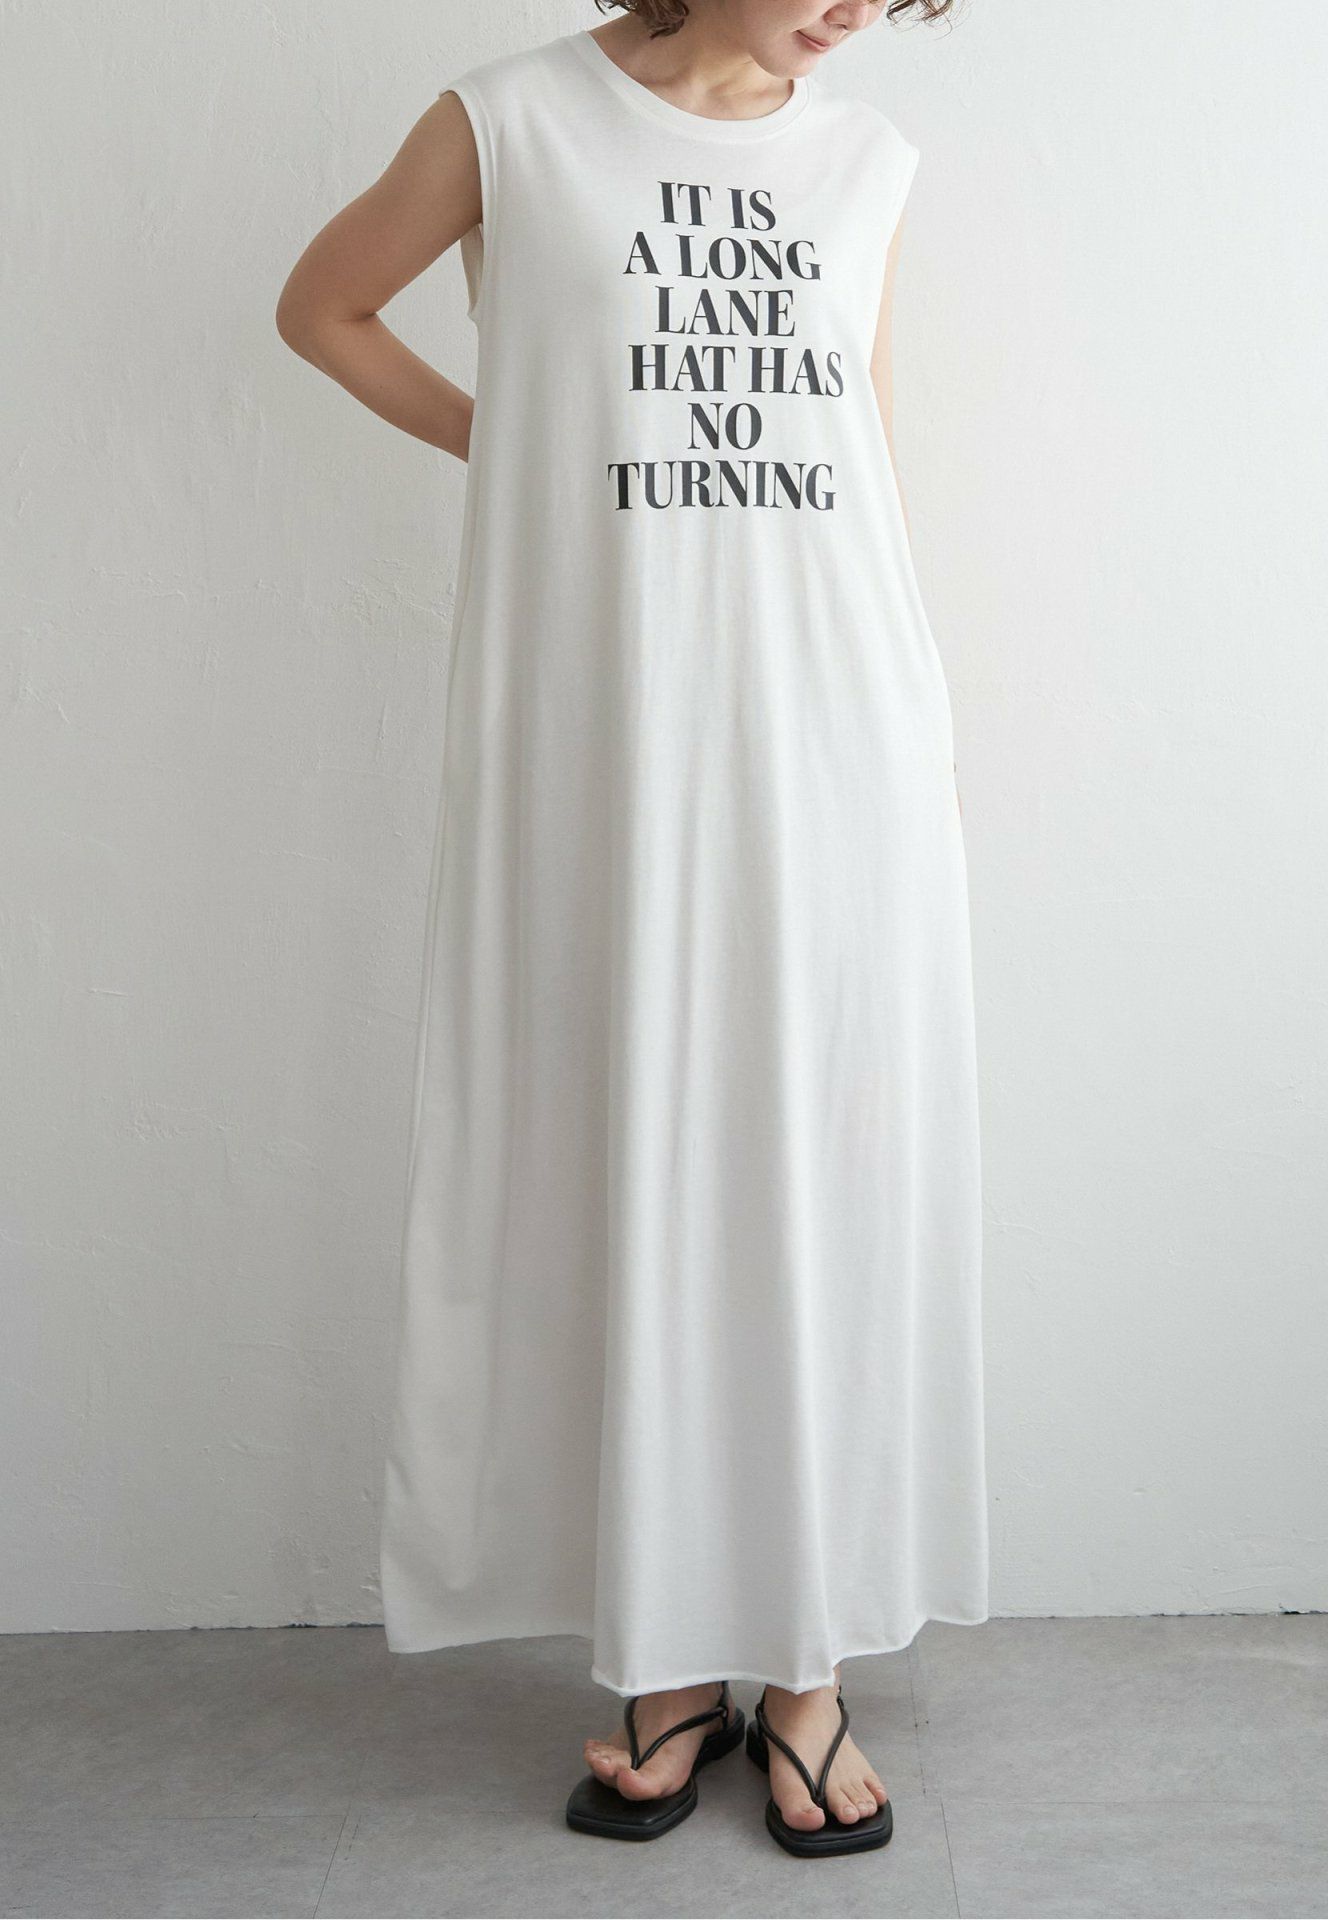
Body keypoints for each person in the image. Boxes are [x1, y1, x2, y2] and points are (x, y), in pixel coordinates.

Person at [277, 0, 986, 1859]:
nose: (857, 13)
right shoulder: (514, 121)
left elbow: (859, 450)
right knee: (629, 1160)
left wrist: (907, 711)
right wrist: (514, 444)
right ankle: (668, 1654)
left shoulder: (867, 162)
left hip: (835, 732)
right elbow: (323, 308)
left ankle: (808, 1665)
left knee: (816, 1176)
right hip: (611, 733)